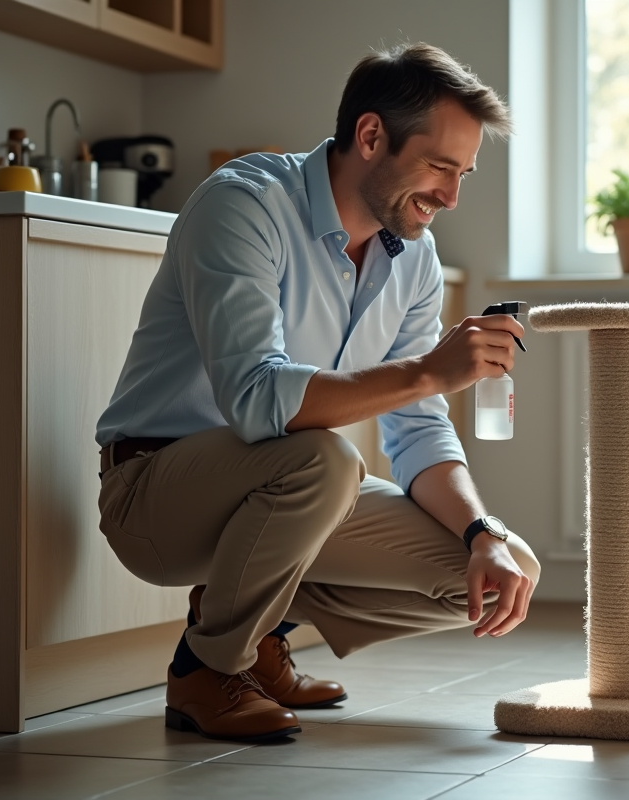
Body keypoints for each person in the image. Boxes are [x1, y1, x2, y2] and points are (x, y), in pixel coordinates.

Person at [95, 42, 540, 744]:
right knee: (324, 461)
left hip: (282, 496)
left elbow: (418, 430)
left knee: (500, 570)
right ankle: (207, 668)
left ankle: (258, 629)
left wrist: (481, 534)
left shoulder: (413, 257)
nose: (452, 197)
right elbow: (256, 400)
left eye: (465, 175)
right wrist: (429, 370)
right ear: (370, 137)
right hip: (154, 488)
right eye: (439, 167)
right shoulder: (244, 206)